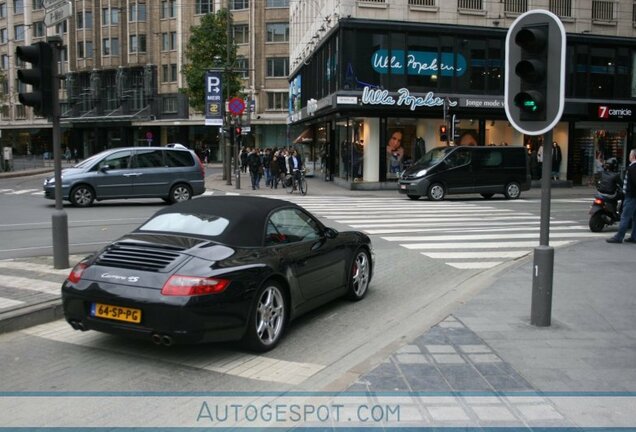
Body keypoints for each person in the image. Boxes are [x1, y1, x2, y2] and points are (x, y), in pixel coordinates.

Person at [607, 149, 636, 244]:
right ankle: (634, 237)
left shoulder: (632, 168)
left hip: (631, 196)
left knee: (625, 216)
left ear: (633, 156)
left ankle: (619, 237)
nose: (629, 156)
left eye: (630, 155)